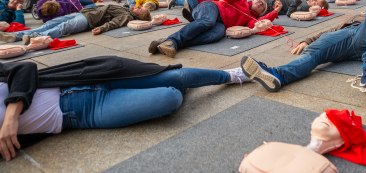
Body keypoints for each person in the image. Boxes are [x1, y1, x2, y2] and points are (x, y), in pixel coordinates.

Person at [0, 57, 251, 161]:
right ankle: (176, 82)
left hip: (80, 78)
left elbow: (24, 68)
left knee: (175, 77)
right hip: (83, 115)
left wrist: (12, 114)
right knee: (169, 98)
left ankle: (233, 74)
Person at [240, 0, 366, 92]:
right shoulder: (353, 20)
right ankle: (279, 75)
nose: (364, 13)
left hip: (364, 41)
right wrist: (307, 40)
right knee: (312, 56)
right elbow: (329, 31)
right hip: (344, 37)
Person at [148, 0, 280, 57]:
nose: (259, 2)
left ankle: (168, 42)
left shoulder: (250, 20)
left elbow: (261, 23)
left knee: (217, 34)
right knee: (208, 22)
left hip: (221, 23)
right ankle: (174, 41)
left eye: (262, 5)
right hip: (212, 7)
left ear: (261, 11)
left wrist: (275, 11)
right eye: (259, 0)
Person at [0, 4, 152, 44]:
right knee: (51, 23)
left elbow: (114, 23)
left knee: (61, 28)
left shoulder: (126, 15)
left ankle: (32, 37)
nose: (137, 6)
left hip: (88, 20)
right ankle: (16, 36)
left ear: (138, 15)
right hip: (84, 13)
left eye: (140, 9)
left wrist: (102, 28)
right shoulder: (126, 8)